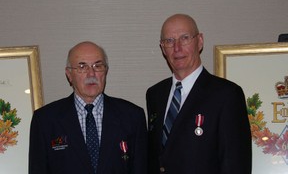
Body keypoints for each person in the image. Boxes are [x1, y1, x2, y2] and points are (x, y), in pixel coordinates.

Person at [146, 14, 252, 174]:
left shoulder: (227, 95)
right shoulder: (155, 94)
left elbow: (235, 164)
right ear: (162, 48)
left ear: (200, 41)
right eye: (169, 41)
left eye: (185, 38)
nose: (177, 48)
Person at [29, 41, 147, 174]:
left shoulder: (132, 116)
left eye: (98, 66)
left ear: (105, 71)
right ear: (69, 74)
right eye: (82, 67)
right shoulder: (45, 120)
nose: (91, 74)